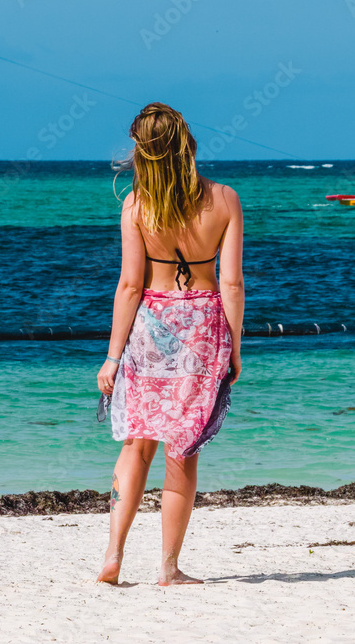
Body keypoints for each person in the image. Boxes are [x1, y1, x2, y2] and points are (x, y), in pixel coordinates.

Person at [95, 102, 244, 586]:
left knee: (138, 444)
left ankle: (113, 556)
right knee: (183, 450)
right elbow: (232, 284)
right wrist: (236, 348)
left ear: (143, 153)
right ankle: (168, 568)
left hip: (150, 328)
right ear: (188, 145)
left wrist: (113, 356)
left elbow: (130, 286)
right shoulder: (224, 199)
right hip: (203, 328)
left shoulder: (136, 206)